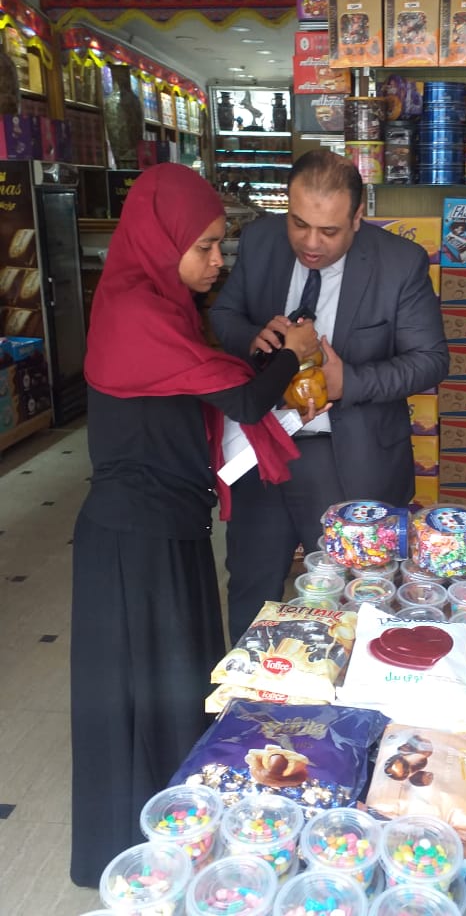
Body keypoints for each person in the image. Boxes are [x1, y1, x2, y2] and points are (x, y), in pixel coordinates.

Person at [70, 163, 323, 888]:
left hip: (169, 525)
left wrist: (260, 355)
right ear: (162, 240)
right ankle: (133, 849)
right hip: (134, 537)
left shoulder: (166, 304)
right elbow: (242, 401)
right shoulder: (133, 310)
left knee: (175, 684)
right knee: (138, 694)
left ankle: (181, 829)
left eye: (222, 245)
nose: (218, 261)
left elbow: (205, 381)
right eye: (206, 246)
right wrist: (296, 353)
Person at [210, 149, 450, 643]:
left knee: (351, 598)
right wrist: (253, 337)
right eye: (299, 224)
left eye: (329, 231)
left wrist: (349, 383)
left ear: (357, 217)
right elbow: (224, 316)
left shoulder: (399, 263)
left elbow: (430, 359)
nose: (310, 243)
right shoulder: (260, 240)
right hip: (262, 446)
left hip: (348, 456)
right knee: (251, 585)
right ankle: (247, 684)